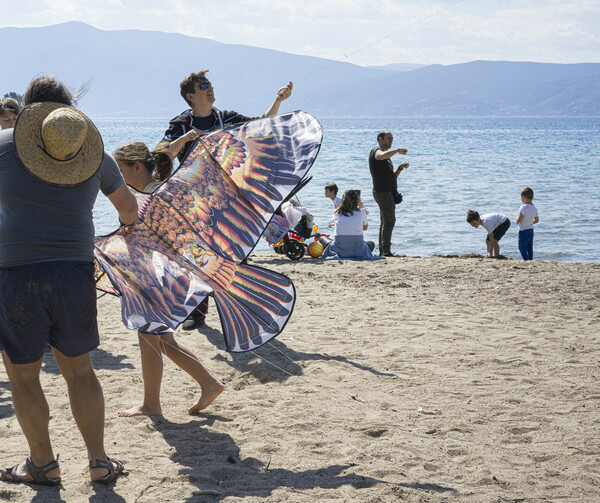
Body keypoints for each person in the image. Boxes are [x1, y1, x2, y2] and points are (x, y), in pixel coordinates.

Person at [0, 77, 138, 485]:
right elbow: (129, 211)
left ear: (28, 111)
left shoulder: (4, 147)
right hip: (74, 271)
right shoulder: (92, 151)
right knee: (80, 370)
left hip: (14, 273)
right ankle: (98, 461)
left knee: (22, 374)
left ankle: (42, 464)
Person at [159, 69, 293, 330]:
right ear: (190, 96)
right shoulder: (180, 124)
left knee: (235, 255)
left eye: (210, 84)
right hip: (194, 201)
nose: (210, 88)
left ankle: (242, 310)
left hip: (228, 197)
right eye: (203, 86)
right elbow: (162, 152)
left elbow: (261, 124)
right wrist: (186, 138)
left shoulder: (226, 117)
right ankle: (196, 313)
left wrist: (278, 101)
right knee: (198, 256)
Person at [112, 141, 225, 417]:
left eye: (119, 169)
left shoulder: (144, 197)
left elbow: (142, 237)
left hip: (154, 275)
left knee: (151, 338)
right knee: (161, 340)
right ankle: (208, 384)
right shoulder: (157, 191)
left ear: (137, 167)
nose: (117, 176)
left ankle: (153, 403)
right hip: (163, 273)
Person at [368, 130, 409, 257]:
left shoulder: (387, 157)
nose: (391, 140)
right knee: (389, 221)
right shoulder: (377, 151)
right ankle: (385, 251)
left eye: (392, 139)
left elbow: (392, 177)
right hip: (383, 192)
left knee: (385, 222)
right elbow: (379, 156)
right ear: (380, 139)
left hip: (386, 192)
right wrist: (397, 150)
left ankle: (383, 250)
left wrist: (400, 168)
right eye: (389, 138)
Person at [321, 190, 377, 260]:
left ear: (343, 200)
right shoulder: (362, 212)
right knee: (371, 244)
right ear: (357, 200)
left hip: (340, 249)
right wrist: (361, 207)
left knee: (322, 238)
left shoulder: (337, 212)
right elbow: (365, 228)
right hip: (357, 250)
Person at [516, 187, 539, 261]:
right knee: (529, 247)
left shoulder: (523, 207)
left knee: (521, 247)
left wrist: (517, 221)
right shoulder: (534, 208)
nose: (522, 200)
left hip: (523, 230)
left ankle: (526, 260)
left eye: (521, 198)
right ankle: (530, 259)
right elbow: (537, 220)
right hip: (531, 230)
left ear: (524, 197)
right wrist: (530, 222)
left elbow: (520, 218)